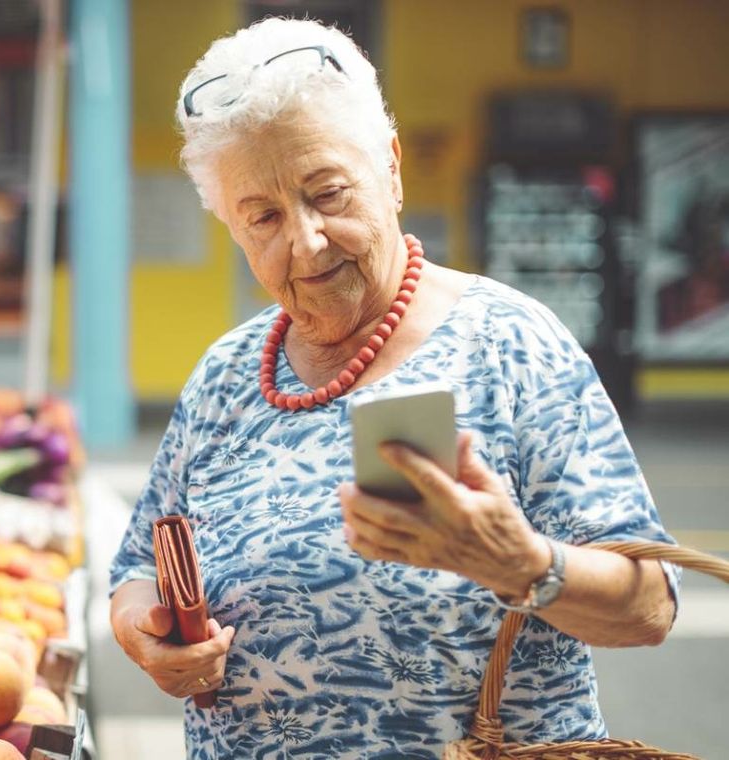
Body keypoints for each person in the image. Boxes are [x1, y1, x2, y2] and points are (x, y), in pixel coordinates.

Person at [108, 17, 679, 760]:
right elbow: (137, 568)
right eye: (264, 217)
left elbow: (650, 605)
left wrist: (521, 566)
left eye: (328, 193)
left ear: (392, 168)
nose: (306, 240)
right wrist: (146, 634)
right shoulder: (226, 374)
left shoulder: (508, 343)